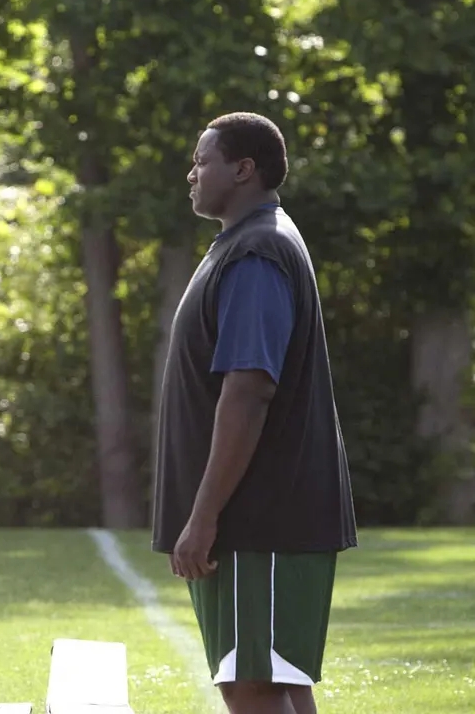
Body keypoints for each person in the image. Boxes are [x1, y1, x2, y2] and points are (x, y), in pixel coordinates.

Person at [151, 112, 358, 714]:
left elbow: (250, 389)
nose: (191, 174)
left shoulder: (257, 252)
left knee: (251, 686)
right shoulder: (248, 244)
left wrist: (205, 516)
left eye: (202, 160)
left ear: (243, 169)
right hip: (258, 521)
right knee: (276, 682)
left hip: (256, 520)